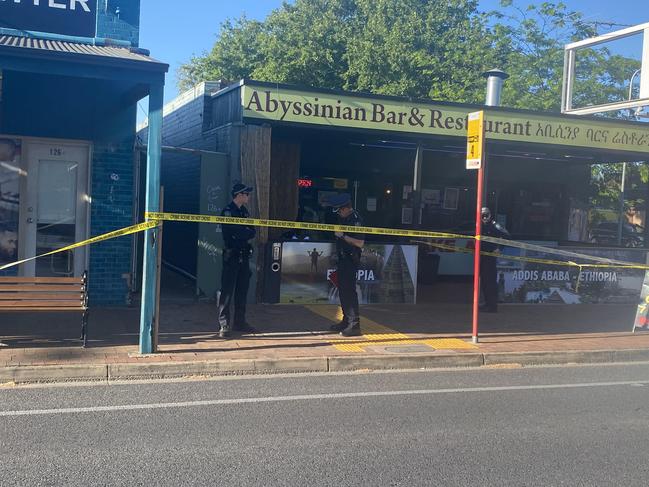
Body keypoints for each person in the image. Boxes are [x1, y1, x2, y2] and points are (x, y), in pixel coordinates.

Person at [217, 183, 257, 338]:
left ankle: (240, 322)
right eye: (246, 194)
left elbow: (252, 231)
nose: (248, 196)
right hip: (232, 255)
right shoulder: (228, 211)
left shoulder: (244, 212)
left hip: (244, 256)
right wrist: (244, 232)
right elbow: (234, 232)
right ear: (239, 195)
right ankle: (224, 324)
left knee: (242, 290)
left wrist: (244, 232)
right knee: (227, 291)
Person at [329, 193, 365, 336]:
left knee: (349, 291)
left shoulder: (356, 221)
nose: (338, 213)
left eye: (339, 210)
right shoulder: (343, 218)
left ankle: (354, 325)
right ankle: (346, 321)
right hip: (343, 259)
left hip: (351, 260)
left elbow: (360, 242)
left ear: (345, 208)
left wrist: (342, 236)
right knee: (343, 291)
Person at [479, 207, 510, 313]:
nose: (484, 217)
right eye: (482, 215)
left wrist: (499, 248)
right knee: (483, 281)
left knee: (490, 282)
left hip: (490, 256)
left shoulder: (495, 225)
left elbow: (507, 236)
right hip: (481, 256)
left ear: (490, 214)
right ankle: (487, 303)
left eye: (486, 215)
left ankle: (492, 306)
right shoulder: (481, 225)